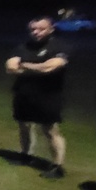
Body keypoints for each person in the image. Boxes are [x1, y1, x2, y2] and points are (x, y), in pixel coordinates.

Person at [5, 17, 69, 179]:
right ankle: (26, 155)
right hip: (24, 93)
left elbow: (52, 67)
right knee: (24, 126)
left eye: (41, 29)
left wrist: (25, 65)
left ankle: (57, 166)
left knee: (50, 130)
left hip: (49, 94)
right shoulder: (23, 46)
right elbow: (11, 67)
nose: (36, 32)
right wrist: (38, 68)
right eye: (33, 29)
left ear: (51, 29)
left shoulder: (59, 46)